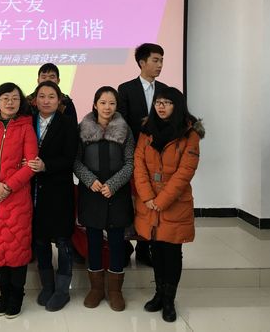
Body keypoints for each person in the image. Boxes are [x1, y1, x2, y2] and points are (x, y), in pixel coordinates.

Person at [134, 87, 204, 322]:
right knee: (156, 250)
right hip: (149, 203)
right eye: (158, 102)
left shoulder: (189, 134)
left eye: (167, 102)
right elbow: (138, 164)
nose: (161, 106)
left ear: (178, 105)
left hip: (174, 203)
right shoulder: (147, 130)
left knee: (172, 252)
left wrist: (161, 200)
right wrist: (147, 197)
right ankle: (158, 294)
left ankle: (169, 300)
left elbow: (185, 172)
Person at [0, 82, 38, 319]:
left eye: (15, 98)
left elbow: (31, 164)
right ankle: (3, 295)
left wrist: (8, 186)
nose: (10, 102)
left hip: (16, 197)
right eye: (5, 98)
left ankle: (17, 296)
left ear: (21, 102)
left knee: (16, 248)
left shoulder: (26, 128)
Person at [73, 86, 134, 312]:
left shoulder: (125, 129)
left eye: (112, 103)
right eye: (103, 102)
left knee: (117, 241)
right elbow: (75, 161)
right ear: (95, 104)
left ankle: (116, 290)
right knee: (94, 241)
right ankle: (96, 289)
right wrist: (90, 180)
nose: (107, 107)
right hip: (92, 192)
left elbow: (130, 162)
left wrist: (114, 184)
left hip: (117, 193)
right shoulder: (83, 128)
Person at [27, 81, 78, 312]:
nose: (46, 101)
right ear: (35, 100)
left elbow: (70, 158)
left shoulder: (67, 123)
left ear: (59, 100)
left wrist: (46, 165)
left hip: (59, 190)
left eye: (51, 96)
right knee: (40, 240)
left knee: (63, 240)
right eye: (42, 96)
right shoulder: (27, 122)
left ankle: (62, 290)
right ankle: (47, 286)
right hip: (33, 190)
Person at [117, 43, 168, 267]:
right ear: (142, 62)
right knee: (131, 200)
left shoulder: (165, 90)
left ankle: (145, 248)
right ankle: (126, 245)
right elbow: (122, 124)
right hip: (133, 154)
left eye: (162, 60)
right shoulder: (126, 89)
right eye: (155, 60)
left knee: (151, 200)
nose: (160, 65)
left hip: (158, 157)